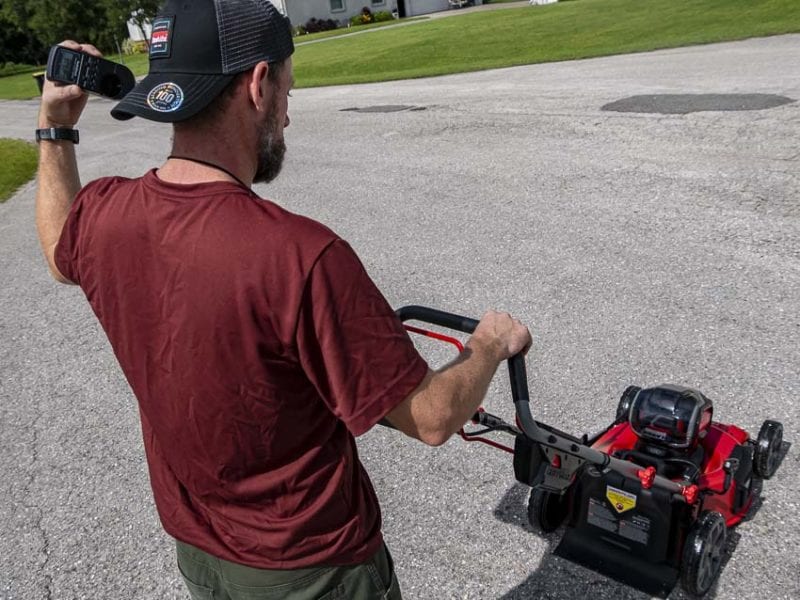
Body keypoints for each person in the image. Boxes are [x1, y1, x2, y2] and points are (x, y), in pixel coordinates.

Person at [34, 0, 532, 598]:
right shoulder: (300, 255)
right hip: (310, 570)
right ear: (258, 84)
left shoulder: (108, 214)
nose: (287, 118)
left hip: (199, 553)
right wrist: (488, 344)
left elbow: (59, 246)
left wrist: (55, 126)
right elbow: (430, 418)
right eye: (288, 93)